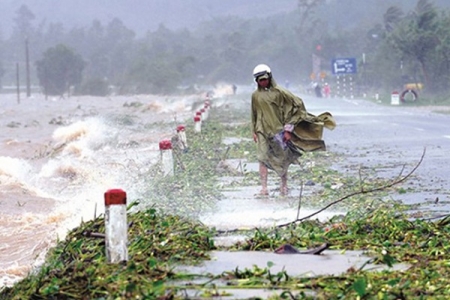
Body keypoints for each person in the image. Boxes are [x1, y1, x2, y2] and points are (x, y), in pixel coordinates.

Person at [251, 64, 336, 196]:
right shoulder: (255, 96)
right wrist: (254, 130)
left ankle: (284, 185)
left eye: (264, 79)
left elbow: (297, 105)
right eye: (260, 80)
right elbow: (254, 113)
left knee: (283, 159)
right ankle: (264, 188)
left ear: (269, 77)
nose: (263, 82)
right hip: (262, 130)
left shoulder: (280, 92)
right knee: (262, 158)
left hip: (278, 131)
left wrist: (288, 129)